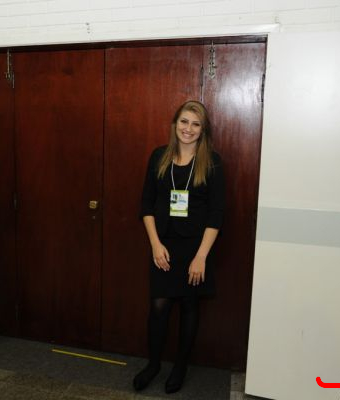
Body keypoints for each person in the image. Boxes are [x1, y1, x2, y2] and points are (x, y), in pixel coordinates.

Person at [133, 100, 225, 394]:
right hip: (163, 245)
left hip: (196, 248)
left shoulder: (211, 162)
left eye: (196, 124)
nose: (188, 129)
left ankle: (180, 367)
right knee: (158, 307)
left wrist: (201, 257)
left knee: (188, 305)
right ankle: (153, 365)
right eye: (184, 122)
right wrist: (154, 244)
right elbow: (146, 205)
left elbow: (216, 215)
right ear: (175, 124)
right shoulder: (159, 156)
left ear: (203, 130)